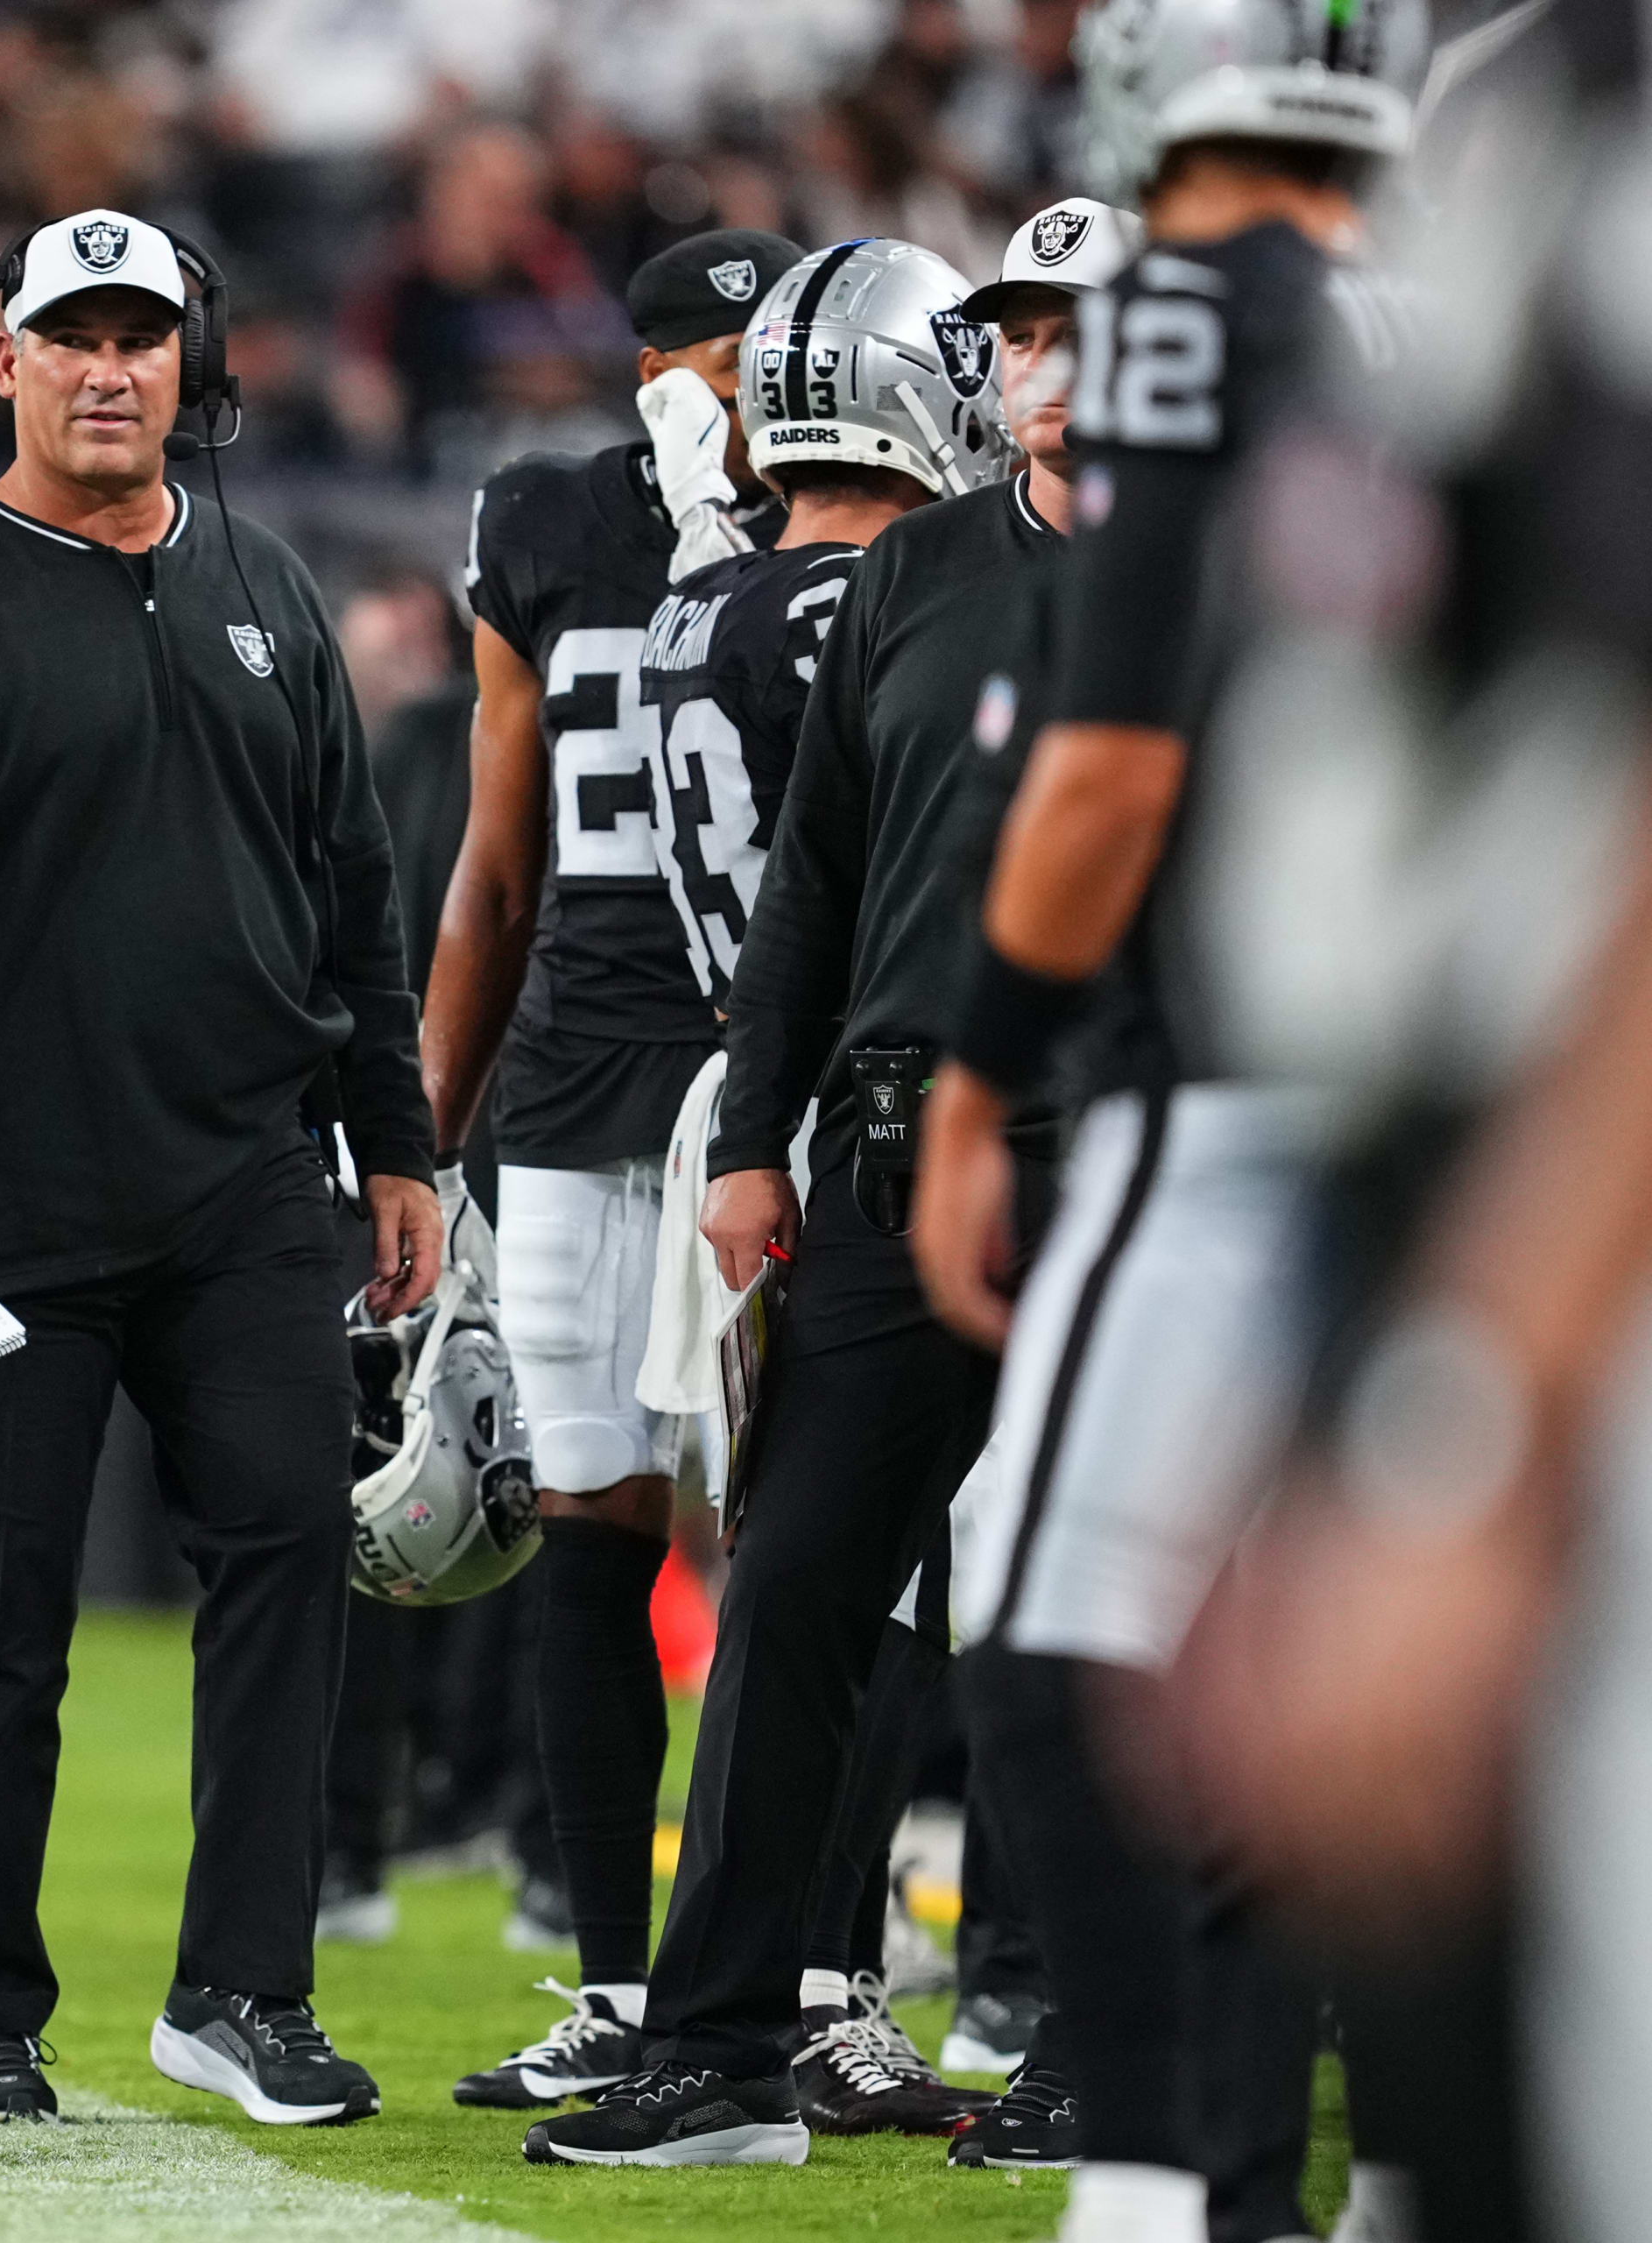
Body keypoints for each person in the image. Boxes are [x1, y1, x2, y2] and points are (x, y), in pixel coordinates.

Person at [907, 6, 1429, 2238]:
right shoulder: (1422, 309)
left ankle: (1163, 2184)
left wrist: (981, 1066)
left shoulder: (1188, 315)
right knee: (1351, 1666)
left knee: (1043, 1636)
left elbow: (1115, 762)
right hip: (1421, 1090)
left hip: (1218, 1088)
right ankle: (1389, 2162)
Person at [0, 207, 441, 2133]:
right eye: (73, 334)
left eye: (143, 334)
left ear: (187, 361)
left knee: (292, 1569)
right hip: (3, 1189)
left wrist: (395, 1138)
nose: (111, 366)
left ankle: (244, 1985)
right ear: (7, 361)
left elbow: (354, 888)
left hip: (244, 1180)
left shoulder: (265, 580)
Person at [519, 235, 1013, 2169]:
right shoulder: (926, 590)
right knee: (919, 1580)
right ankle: (846, 1991)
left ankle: (758, 2005)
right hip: (912, 1103)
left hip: (760, 1101)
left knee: (802, 1570)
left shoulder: (694, 612)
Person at [670, 197, 1140, 2150]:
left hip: (1125, 1150)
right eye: (1023, 328)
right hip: (884, 1148)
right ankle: (715, 2041)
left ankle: (1102, 2040)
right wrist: (754, 1137)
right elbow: (815, 892)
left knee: (1076, 1612)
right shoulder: (915, 571)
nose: (1048, 359)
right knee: (794, 1591)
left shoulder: (1228, 575)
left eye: (1087, 326)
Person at [425, 227, 805, 2113]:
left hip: (777, 1071)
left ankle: (815, 1974)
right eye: (724, 369)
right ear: (660, 369)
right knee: (588, 1515)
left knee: (820, 1533)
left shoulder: (857, 513)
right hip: (579, 1073)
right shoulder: (544, 525)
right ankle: (615, 1979)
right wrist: (422, 1129)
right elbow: (497, 857)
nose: (753, 406)